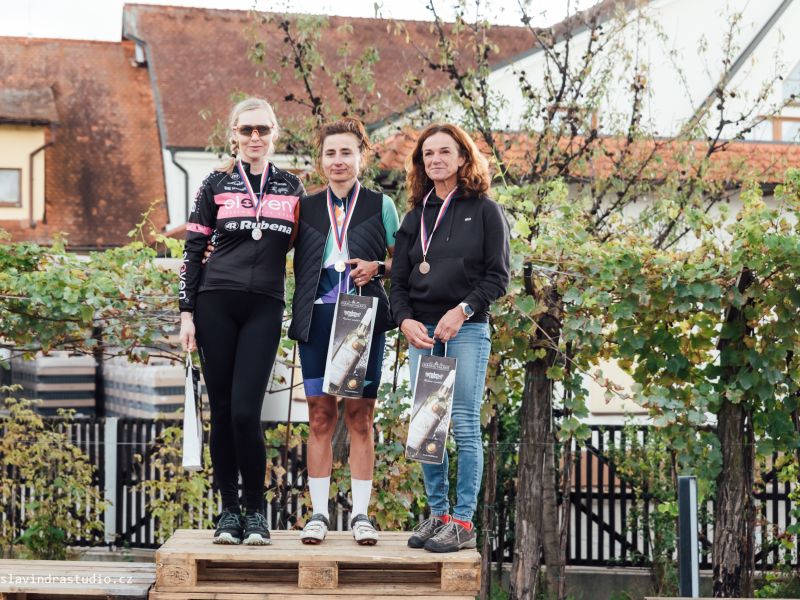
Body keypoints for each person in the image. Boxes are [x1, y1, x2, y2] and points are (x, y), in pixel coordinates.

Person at [178, 97, 304, 545]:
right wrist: (186, 313)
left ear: (274, 134)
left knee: (248, 412)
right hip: (215, 303)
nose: (255, 137)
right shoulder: (213, 184)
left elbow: (304, 247)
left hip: (264, 306)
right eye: (246, 129)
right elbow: (192, 251)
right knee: (224, 411)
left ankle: (256, 512)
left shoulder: (292, 187)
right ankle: (229, 512)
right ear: (233, 134)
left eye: (262, 129)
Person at [390, 123, 510, 553]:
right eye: (428, 154)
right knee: (427, 426)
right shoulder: (414, 218)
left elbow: (498, 277)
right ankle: (438, 514)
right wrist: (404, 321)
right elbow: (398, 283)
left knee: (462, 423)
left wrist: (462, 311)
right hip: (423, 334)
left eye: (445, 151)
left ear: (463, 158)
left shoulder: (486, 211)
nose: (436, 159)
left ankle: (463, 521)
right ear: (421, 164)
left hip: (465, 329)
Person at [287, 117, 399, 546]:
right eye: (330, 153)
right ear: (320, 160)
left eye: (346, 152)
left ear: (361, 157)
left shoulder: (381, 205)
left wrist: (379, 267)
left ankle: (361, 515)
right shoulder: (304, 207)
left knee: (359, 417)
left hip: (361, 319)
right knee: (319, 416)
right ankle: (317, 514)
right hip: (316, 319)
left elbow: (404, 262)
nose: (338, 160)